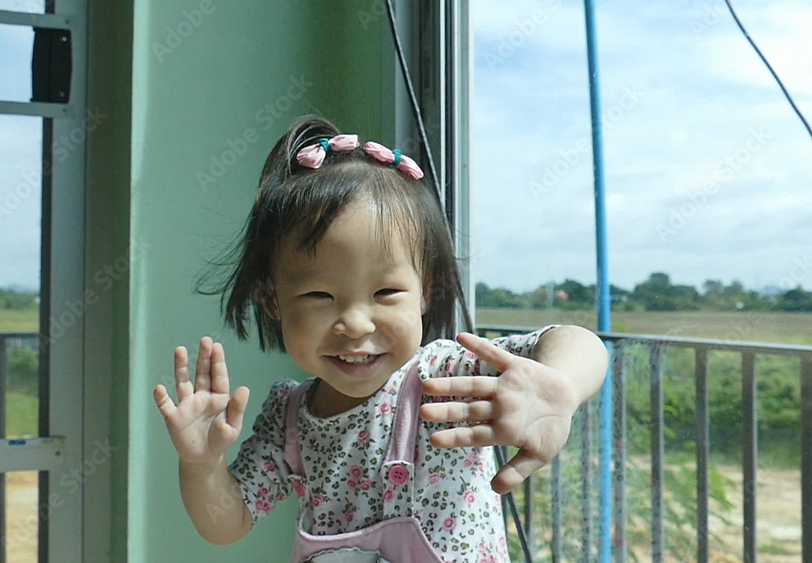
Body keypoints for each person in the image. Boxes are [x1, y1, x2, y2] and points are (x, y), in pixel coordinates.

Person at [154, 115, 609, 562]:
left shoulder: (446, 376)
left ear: (425, 291)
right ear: (273, 301)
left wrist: (559, 384)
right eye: (319, 294)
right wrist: (202, 464)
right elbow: (225, 524)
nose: (355, 323)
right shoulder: (288, 418)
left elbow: (575, 341)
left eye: (385, 292)